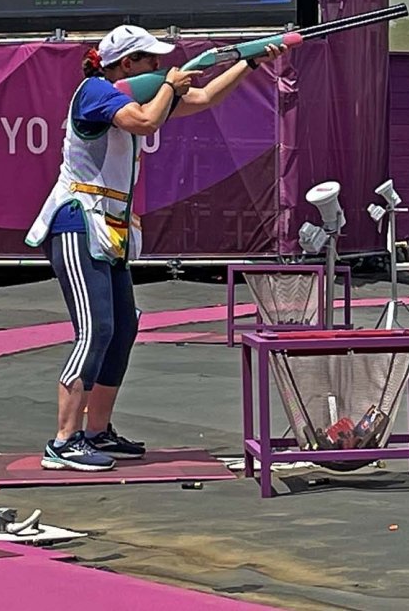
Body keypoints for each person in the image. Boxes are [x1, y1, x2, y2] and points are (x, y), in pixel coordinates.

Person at [26, 24, 278, 471]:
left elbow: (205, 98)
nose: (159, 66)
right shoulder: (96, 92)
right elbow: (145, 122)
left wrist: (249, 62)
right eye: (150, 61)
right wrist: (169, 86)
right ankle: (64, 441)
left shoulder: (131, 93)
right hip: (78, 222)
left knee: (123, 329)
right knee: (95, 330)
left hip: (109, 228)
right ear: (127, 64)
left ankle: (96, 431)